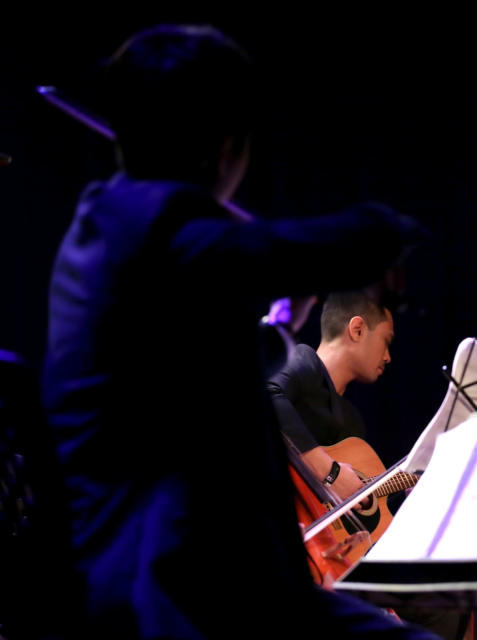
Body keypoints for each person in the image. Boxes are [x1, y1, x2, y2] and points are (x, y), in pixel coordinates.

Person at [42, 24, 437, 638]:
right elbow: (314, 245)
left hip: (181, 571)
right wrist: (386, 233)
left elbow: (178, 374)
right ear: (223, 146)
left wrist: (284, 329)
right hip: (182, 588)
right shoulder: (157, 224)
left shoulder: (101, 229)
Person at [267, 290, 395, 499]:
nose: (388, 357)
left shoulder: (353, 421)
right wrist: (330, 472)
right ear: (358, 330)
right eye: (386, 341)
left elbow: (351, 504)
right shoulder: (303, 361)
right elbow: (266, 397)